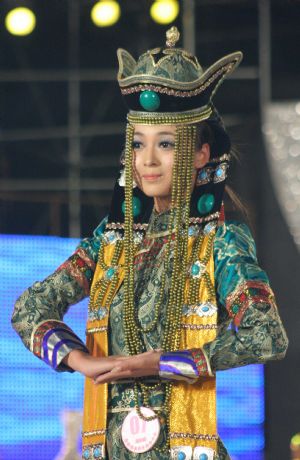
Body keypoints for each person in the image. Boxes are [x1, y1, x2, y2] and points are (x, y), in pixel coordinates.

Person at [12, 27, 288, 460]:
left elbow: (267, 336)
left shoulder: (220, 239)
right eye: (138, 144)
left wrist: (161, 363)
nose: (148, 160)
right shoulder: (111, 239)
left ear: (201, 153)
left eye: (166, 144)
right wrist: (82, 362)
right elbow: (29, 307)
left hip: (184, 446)